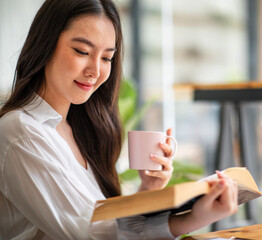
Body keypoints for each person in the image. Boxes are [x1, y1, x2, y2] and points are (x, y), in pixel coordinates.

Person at [0, 0, 238, 239]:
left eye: (106, 58)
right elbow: (90, 233)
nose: (95, 70)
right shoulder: (21, 132)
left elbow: (103, 218)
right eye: (82, 51)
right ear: (45, 44)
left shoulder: (79, 129)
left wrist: (148, 190)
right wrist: (189, 220)